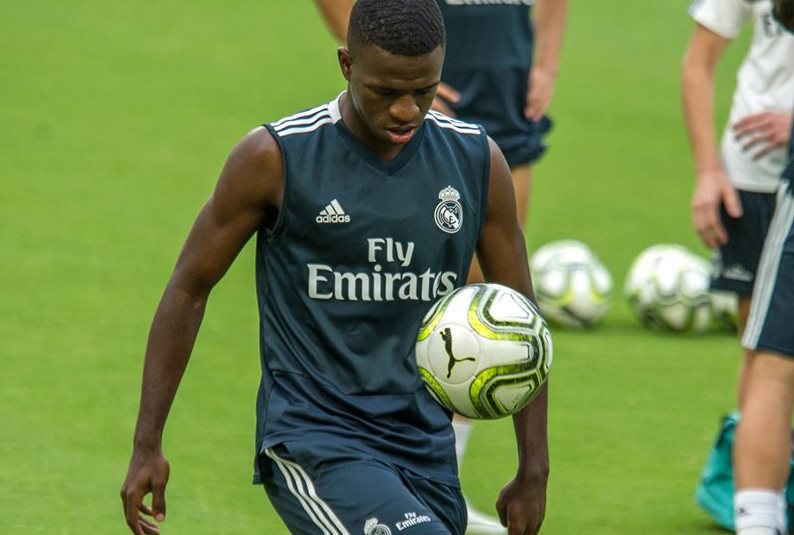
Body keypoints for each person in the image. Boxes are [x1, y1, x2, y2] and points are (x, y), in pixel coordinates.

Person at [119, 1, 549, 535]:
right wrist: (147, 443)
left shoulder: (476, 161)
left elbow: (522, 317)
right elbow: (189, 288)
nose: (406, 111)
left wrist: (534, 468)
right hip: (315, 441)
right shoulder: (276, 158)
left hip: (424, 447)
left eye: (424, 90)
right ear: (347, 65)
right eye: (386, 92)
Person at [313, 2, 566, 532]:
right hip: (434, 71)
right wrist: (385, 67)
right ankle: (399, 469)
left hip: (505, 82)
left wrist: (546, 60)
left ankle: (438, 474)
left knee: (494, 300)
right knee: (442, 294)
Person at [681, 1, 794, 527]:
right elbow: (698, 61)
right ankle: (755, 487)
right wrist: (709, 172)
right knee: (764, 345)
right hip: (753, 175)